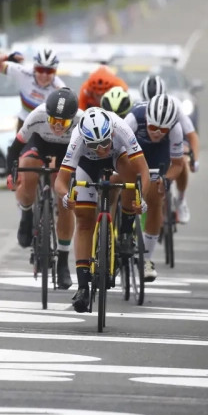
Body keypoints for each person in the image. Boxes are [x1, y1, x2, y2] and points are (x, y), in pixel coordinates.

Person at [54, 107, 151, 312]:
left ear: (112, 133)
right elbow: (60, 181)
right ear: (85, 140)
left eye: (105, 142)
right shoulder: (78, 137)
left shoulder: (120, 127)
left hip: (118, 158)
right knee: (84, 219)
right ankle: (82, 287)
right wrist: (65, 197)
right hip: (86, 165)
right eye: (95, 145)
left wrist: (140, 198)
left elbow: (143, 170)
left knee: (131, 178)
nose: (101, 149)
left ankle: (125, 229)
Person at [4, 87, 82, 289]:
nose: (57, 126)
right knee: (27, 169)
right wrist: (10, 175)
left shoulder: (81, 122)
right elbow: (14, 149)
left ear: (72, 118)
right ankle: (27, 214)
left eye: (63, 122)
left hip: (66, 150)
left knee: (65, 199)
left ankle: (63, 262)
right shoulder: (37, 115)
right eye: (53, 120)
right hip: (38, 143)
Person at [124, 94, 185, 281]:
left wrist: (166, 180)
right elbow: (116, 149)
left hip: (158, 157)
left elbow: (177, 164)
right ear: (147, 120)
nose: (158, 132)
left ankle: (146, 259)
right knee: (122, 184)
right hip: (133, 151)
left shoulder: (176, 129)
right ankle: (119, 230)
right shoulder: (133, 118)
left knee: (156, 196)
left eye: (163, 129)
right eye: (153, 127)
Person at [139, 75, 200, 224]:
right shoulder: (139, 108)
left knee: (182, 159)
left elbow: (191, 135)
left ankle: (180, 199)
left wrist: (194, 159)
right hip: (150, 139)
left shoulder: (176, 106)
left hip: (170, 138)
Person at [0, 48, 66, 133]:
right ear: (34, 68)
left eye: (49, 71)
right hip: (24, 121)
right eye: (40, 70)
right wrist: (7, 57)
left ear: (55, 71)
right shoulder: (23, 72)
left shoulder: (59, 88)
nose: (44, 75)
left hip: (45, 127)